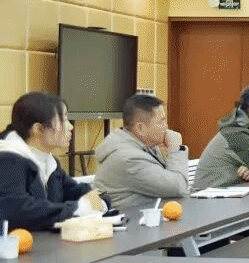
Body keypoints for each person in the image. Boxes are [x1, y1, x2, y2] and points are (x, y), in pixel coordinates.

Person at [0, 92, 107, 230]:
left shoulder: (49, 161)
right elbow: (17, 210)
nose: (70, 127)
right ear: (38, 129)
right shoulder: (8, 160)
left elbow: (72, 190)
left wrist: (99, 199)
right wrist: (77, 208)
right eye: (64, 120)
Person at [93, 94, 189, 213]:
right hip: (130, 222)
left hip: (144, 217)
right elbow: (179, 187)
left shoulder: (142, 146)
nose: (166, 127)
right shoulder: (129, 159)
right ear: (140, 128)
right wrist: (176, 149)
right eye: (161, 122)